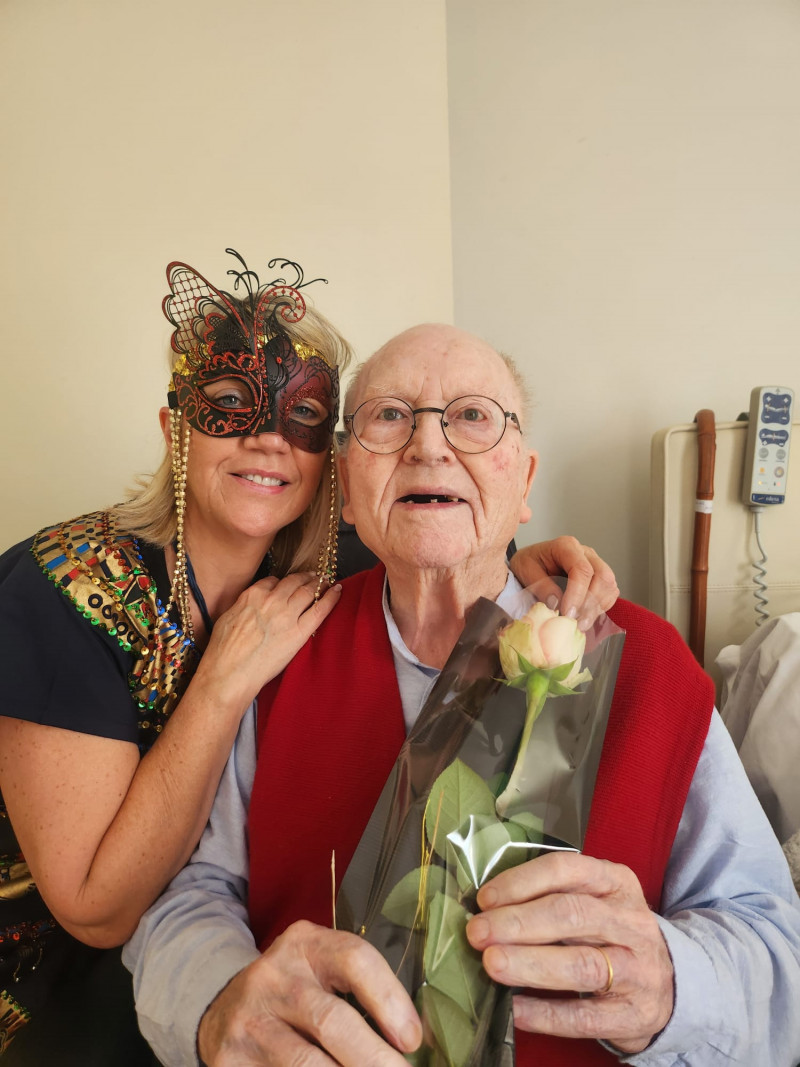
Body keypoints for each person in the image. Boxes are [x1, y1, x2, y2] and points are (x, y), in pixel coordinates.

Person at [126, 323, 800, 1067]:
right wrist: (219, 1002)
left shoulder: (648, 665)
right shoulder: (279, 650)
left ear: (525, 482)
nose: (429, 445)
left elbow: (774, 946)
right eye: (389, 415)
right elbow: (194, 894)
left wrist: (673, 984)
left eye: (473, 416)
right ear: (345, 485)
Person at [0, 254, 614, 1064]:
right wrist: (222, 682)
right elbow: (94, 911)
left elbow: (448, 545)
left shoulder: (337, 566)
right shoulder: (65, 588)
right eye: (229, 402)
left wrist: (525, 568)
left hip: (251, 967)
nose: (266, 437)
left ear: (334, 456)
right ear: (174, 427)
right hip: (60, 980)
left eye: (305, 413)